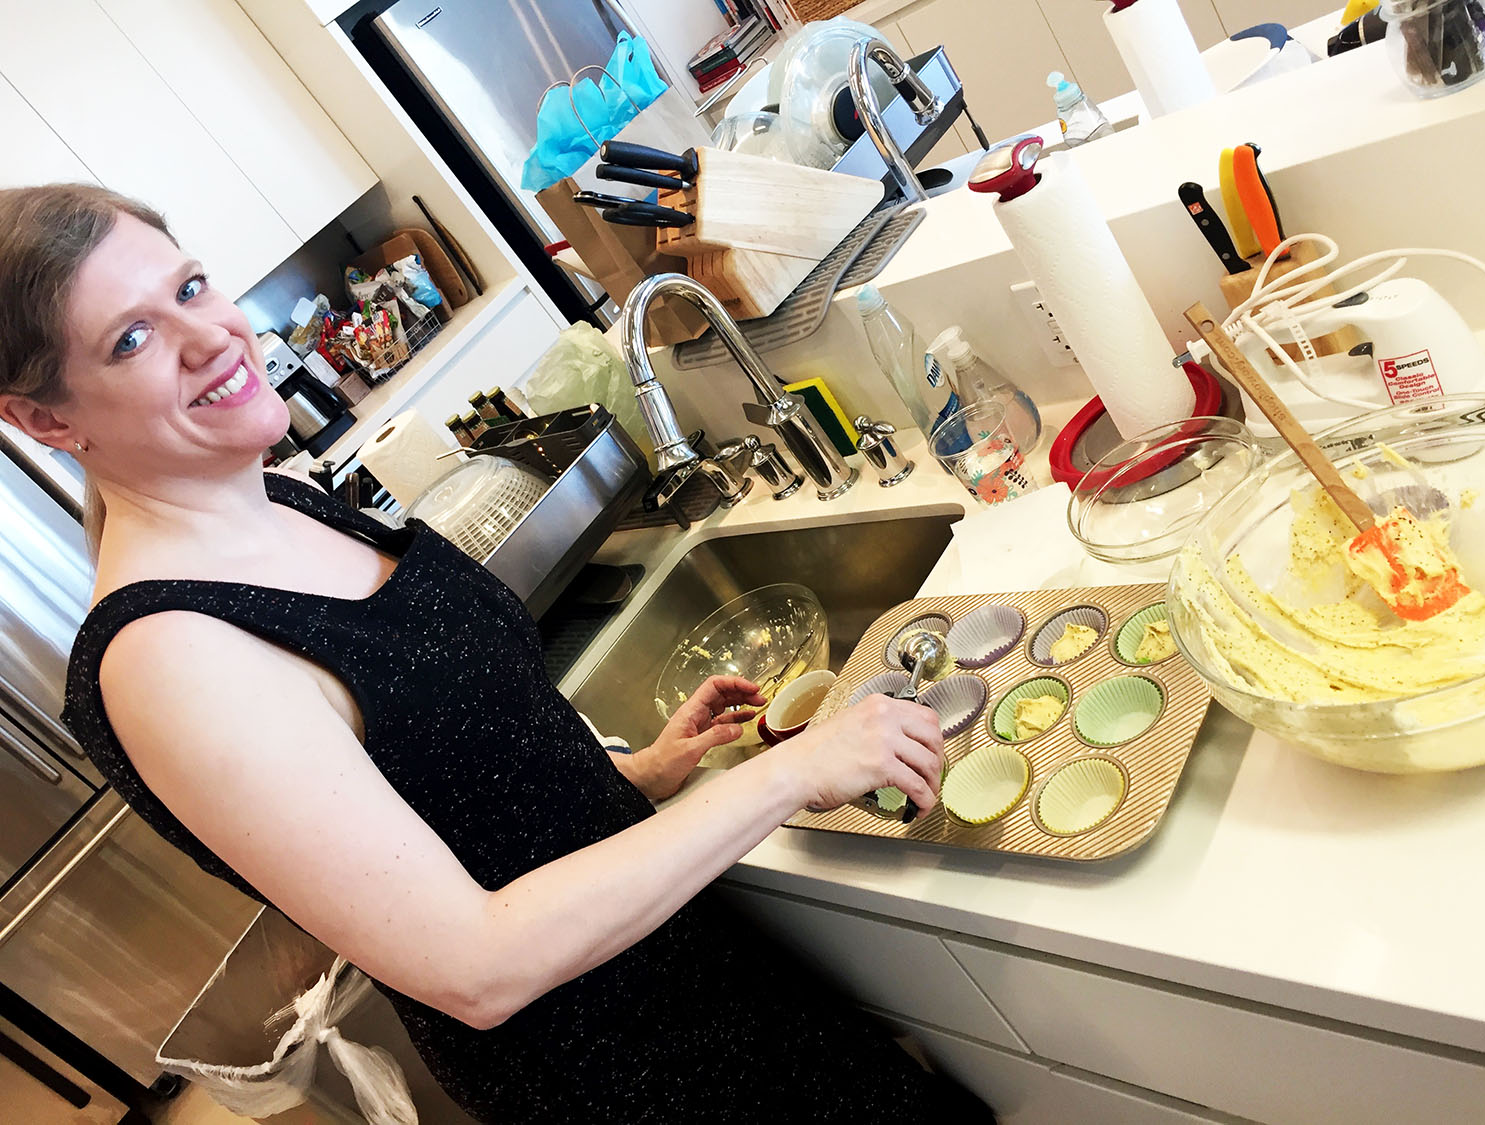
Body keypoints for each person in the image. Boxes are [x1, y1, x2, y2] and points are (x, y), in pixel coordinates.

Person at [0, 184, 990, 1124]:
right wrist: (798, 771)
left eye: (190, 285)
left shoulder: (273, 498)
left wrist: (631, 774)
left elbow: (438, 787)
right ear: (45, 419)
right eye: (131, 339)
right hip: (618, 1065)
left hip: (682, 964)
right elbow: (474, 966)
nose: (208, 336)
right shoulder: (169, 660)